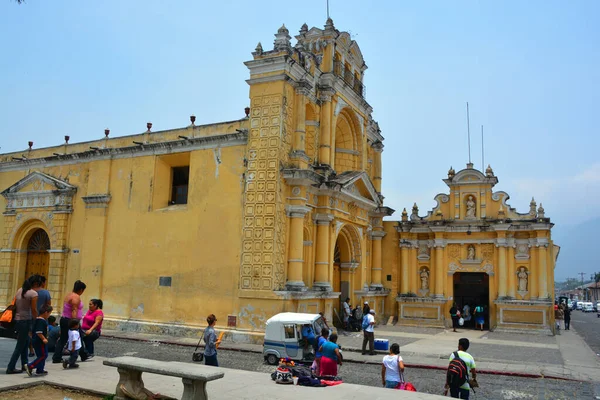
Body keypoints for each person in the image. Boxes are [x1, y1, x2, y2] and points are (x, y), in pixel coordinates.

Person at [6, 277, 39, 374]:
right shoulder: (33, 293)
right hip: (26, 320)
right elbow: (33, 309)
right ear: (36, 284)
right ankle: (11, 367)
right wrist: (37, 320)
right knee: (20, 345)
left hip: (18, 319)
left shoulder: (19, 290)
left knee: (25, 342)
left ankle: (25, 364)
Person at [52, 280, 87, 364]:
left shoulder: (69, 295)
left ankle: (56, 357)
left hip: (65, 319)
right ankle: (81, 355)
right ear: (81, 289)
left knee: (63, 339)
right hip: (70, 320)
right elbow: (74, 310)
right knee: (78, 337)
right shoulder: (76, 297)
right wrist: (75, 323)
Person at [26, 304, 53, 376]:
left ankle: (40, 369)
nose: (49, 315)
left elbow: (32, 331)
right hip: (40, 341)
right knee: (43, 355)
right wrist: (44, 339)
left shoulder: (37, 320)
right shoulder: (41, 321)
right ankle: (30, 366)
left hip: (35, 340)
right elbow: (39, 332)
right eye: (49, 313)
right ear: (46, 312)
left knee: (40, 355)